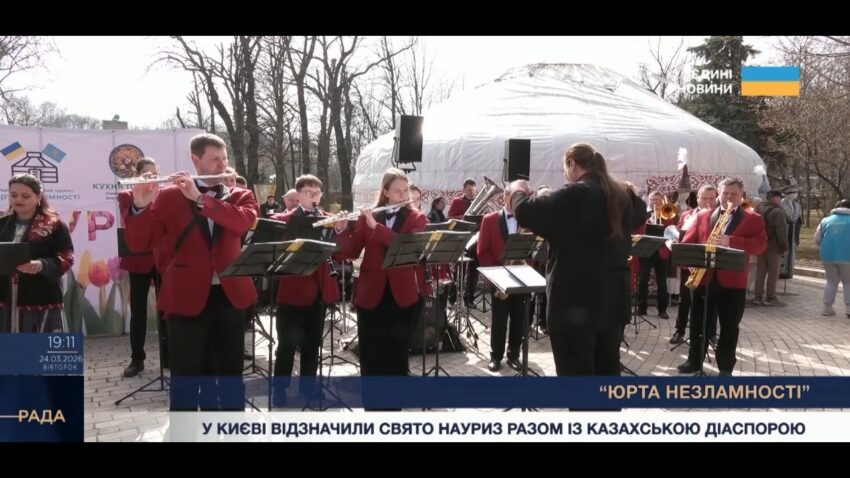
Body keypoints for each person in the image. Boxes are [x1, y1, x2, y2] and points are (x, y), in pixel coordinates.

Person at [124, 133, 258, 410]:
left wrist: (199, 199)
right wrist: (140, 205)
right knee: (186, 373)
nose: (222, 165)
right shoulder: (169, 196)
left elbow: (242, 224)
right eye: (214, 159)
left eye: (224, 158)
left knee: (230, 372)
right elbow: (139, 243)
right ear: (195, 160)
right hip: (185, 296)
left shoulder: (240, 195)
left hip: (230, 296)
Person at [511, 143, 642, 375]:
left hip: (575, 306)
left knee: (575, 376)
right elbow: (639, 211)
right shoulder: (622, 195)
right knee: (607, 373)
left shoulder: (576, 193)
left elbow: (525, 211)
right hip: (613, 302)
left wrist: (517, 190)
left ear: (572, 163)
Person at [333, 168, 426, 403]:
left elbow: (406, 246)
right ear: (385, 192)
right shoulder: (368, 216)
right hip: (371, 293)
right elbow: (349, 252)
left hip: (401, 295)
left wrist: (377, 228)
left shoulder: (417, 218)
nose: (404, 195)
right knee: (371, 352)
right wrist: (341, 230)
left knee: (397, 353)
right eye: (397, 191)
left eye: (405, 190)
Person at [677, 177, 767, 376]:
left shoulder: (753, 218)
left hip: (733, 282)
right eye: (725, 193)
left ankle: (725, 368)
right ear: (719, 194)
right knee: (698, 323)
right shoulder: (702, 216)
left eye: (734, 194)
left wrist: (731, 241)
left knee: (729, 327)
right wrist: (689, 262)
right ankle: (694, 361)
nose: (729, 197)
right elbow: (687, 243)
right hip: (704, 279)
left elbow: (761, 245)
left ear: (741, 195)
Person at [269, 175, 340, 403]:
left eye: (317, 193)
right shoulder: (286, 219)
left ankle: (307, 388)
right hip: (292, 291)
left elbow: (341, 252)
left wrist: (340, 229)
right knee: (286, 344)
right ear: (298, 195)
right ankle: (280, 390)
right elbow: (274, 231)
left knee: (312, 344)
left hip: (318, 290)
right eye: (309, 193)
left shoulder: (328, 219)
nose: (314, 197)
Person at [0, 174, 74, 333]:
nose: (18, 199)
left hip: (40, 299)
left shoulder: (54, 225)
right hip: (4, 299)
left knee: (39, 346)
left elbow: (66, 258)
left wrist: (41, 265)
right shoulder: (2, 223)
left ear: (38, 197)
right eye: (13, 195)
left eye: (25, 196)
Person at [118, 158, 166, 377]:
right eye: (146, 174)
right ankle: (137, 359)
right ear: (137, 175)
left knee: (167, 309)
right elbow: (127, 221)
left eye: (155, 174)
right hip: (138, 259)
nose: (151, 178)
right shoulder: (126, 195)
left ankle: (169, 355)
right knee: (138, 312)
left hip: (163, 259)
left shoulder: (165, 194)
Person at [477, 184, 524, 372]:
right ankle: (496, 356)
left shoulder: (527, 220)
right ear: (505, 197)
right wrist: (496, 275)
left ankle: (514, 355)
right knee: (499, 320)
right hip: (499, 277)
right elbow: (482, 250)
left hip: (522, 277)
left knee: (519, 318)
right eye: (515, 196)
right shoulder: (489, 220)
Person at [670, 185, 719, 345]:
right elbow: (678, 233)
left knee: (711, 301)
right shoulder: (686, 214)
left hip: (710, 265)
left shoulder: (719, 215)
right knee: (685, 299)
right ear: (697, 199)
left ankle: (711, 333)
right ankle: (679, 331)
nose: (708, 202)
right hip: (689, 265)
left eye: (711, 198)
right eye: (704, 198)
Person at [637, 190, 675, 319]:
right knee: (643, 280)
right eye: (653, 199)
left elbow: (671, 230)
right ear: (649, 200)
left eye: (658, 199)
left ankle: (662, 310)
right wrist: (651, 219)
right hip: (646, 250)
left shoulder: (667, 213)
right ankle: (641, 308)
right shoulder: (643, 213)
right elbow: (640, 229)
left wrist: (662, 216)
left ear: (662, 201)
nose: (655, 202)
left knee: (662, 282)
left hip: (661, 250)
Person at [814, 199, 850, 318]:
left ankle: (827, 308)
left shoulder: (826, 220)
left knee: (831, 281)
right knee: (848, 282)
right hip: (847, 256)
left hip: (828, 256)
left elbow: (817, 239)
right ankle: (849, 309)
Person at [753, 189, 789, 306]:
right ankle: (770, 297)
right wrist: (784, 246)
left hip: (760, 244)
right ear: (775, 198)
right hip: (773, 245)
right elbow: (781, 231)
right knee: (773, 272)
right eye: (780, 198)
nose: (781, 200)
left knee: (760, 271)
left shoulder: (758, 209)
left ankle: (758, 296)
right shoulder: (777, 211)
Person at [448, 178, 479, 307]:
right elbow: (450, 218)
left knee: (474, 271)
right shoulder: (457, 201)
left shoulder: (478, 202)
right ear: (464, 189)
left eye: (473, 190)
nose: (472, 192)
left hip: (475, 240)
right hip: (461, 239)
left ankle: (469, 299)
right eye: (469, 190)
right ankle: (453, 298)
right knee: (458, 271)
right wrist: (465, 217)